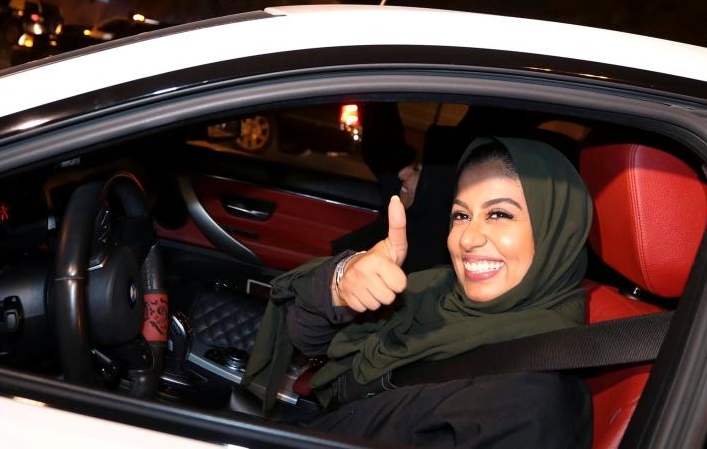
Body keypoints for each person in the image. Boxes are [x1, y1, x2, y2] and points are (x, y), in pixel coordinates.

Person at [243, 138, 593, 448]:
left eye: (499, 214)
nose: (467, 238)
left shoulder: (531, 403)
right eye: (461, 215)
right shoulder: (438, 292)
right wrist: (340, 282)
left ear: (558, 232)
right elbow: (311, 338)